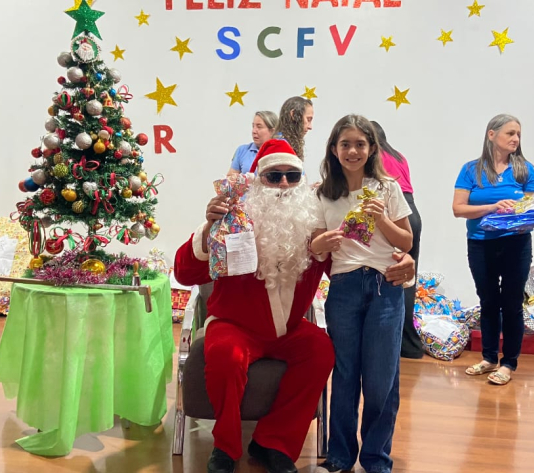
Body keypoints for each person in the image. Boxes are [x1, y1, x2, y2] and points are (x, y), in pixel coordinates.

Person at [174, 139, 416, 473]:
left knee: (320, 351)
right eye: (274, 176)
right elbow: (185, 273)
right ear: (258, 180)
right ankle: (226, 447)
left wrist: (402, 263)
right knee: (227, 356)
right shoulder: (233, 220)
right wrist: (207, 232)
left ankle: (273, 442)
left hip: (288, 330)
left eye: (293, 176)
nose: (284, 184)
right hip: (234, 324)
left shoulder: (312, 225)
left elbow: (351, 263)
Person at [311, 115, 413, 473]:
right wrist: (322, 243)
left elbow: (406, 241)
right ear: (333, 149)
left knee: (381, 378)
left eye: (360, 144)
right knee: (344, 375)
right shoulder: (322, 194)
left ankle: (375, 459)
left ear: (371, 149)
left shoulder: (388, 188)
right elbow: (315, 248)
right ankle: (339, 457)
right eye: (345, 144)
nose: (352, 151)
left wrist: (381, 218)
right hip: (344, 288)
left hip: (385, 287)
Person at [452, 114, 534, 386]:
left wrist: (526, 213)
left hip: (516, 245)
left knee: (512, 304)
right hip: (480, 244)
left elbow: (533, 209)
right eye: (510, 133)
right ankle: (489, 358)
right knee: (488, 301)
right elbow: (458, 209)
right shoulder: (471, 170)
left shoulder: (526, 170)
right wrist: (492, 207)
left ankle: (509, 363)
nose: (516, 139)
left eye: (518, 134)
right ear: (492, 134)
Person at [371, 120, 425, 359]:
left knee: (391, 276)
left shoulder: (374, 157)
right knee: (407, 278)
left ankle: (394, 340)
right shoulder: (399, 156)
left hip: (393, 213)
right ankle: (409, 343)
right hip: (412, 212)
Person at [227, 111, 278, 175]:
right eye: (253, 126)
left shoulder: (281, 152)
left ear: (272, 131)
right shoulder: (242, 150)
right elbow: (230, 177)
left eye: (259, 127)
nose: (254, 131)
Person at [274, 96, 314, 161]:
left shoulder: (285, 144)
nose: (310, 127)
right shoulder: (280, 147)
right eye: (308, 119)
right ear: (294, 115)